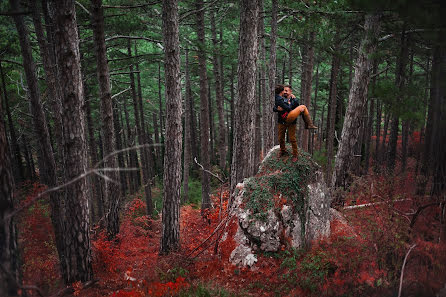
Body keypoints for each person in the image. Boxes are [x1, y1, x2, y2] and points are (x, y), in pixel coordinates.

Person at [274, 84, 317, 161]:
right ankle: (283, 151)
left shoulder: (295, 100)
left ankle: (295, 154)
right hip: (282, 121)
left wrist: (297, 109)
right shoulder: (280, 99)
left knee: (292, 138)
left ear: (291, 92)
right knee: (281, 138)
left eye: (287, 91)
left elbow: (294, 110)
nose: (285, 92)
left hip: (291, 122)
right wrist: (277, 109)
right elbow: (274, 108)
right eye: (284, 91)